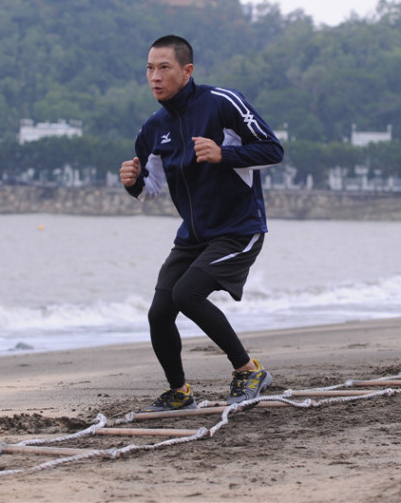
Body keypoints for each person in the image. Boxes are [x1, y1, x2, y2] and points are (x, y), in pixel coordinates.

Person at [120, 35, 284, 412]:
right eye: (149, 68)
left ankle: (249, 370)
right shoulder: (153, 128)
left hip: (239, 229)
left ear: (187, 71)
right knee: (160, 312)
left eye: (164, 68)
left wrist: (223, 154)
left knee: (187, 295)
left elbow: (273, 150)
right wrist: (132, 183)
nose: (154, 77)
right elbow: (151, 190)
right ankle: (180, 392)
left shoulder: (222, 103)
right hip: (193, 236)